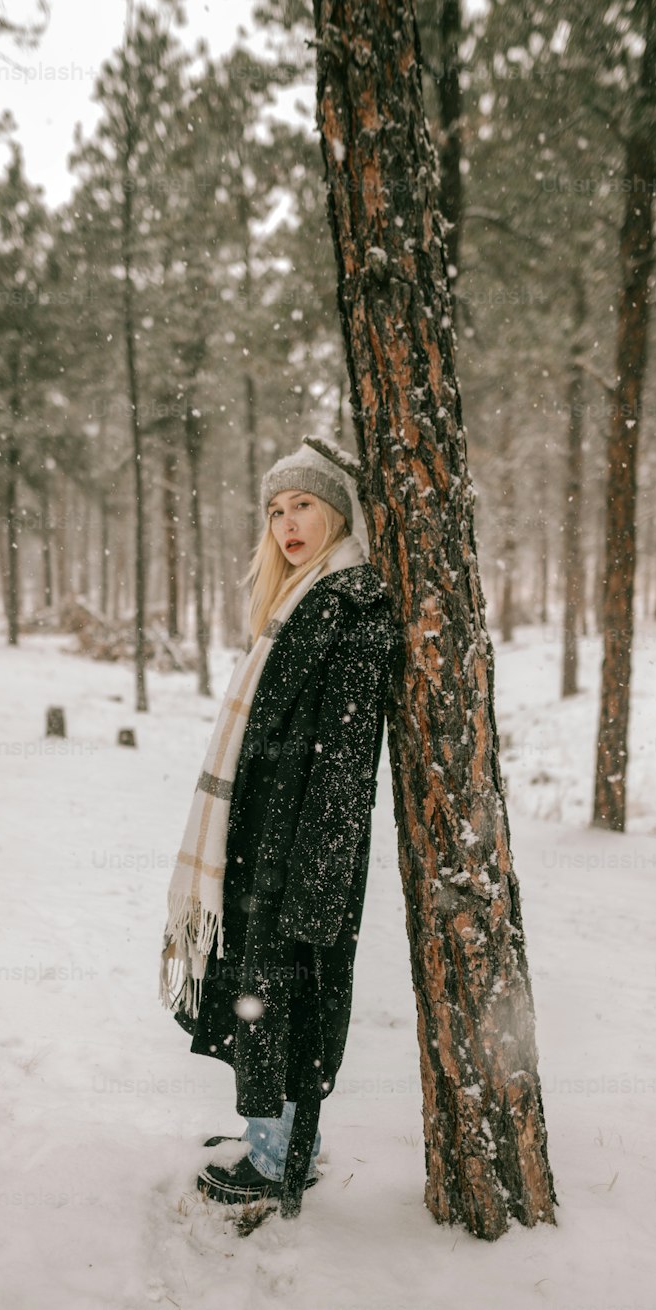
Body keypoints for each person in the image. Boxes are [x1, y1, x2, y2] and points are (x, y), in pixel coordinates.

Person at [159, 435, 399, 1206]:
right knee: (268, 1006)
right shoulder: (300, 601)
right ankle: (278, 1141)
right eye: (276, 510)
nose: (288, 523)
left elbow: (346, 765)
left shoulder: (354, 606)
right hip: (265, 844)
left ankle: (275, 1163)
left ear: (338, 511)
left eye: (303, 505)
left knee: (286, 1008)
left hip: (300, 855)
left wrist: (317, 884)